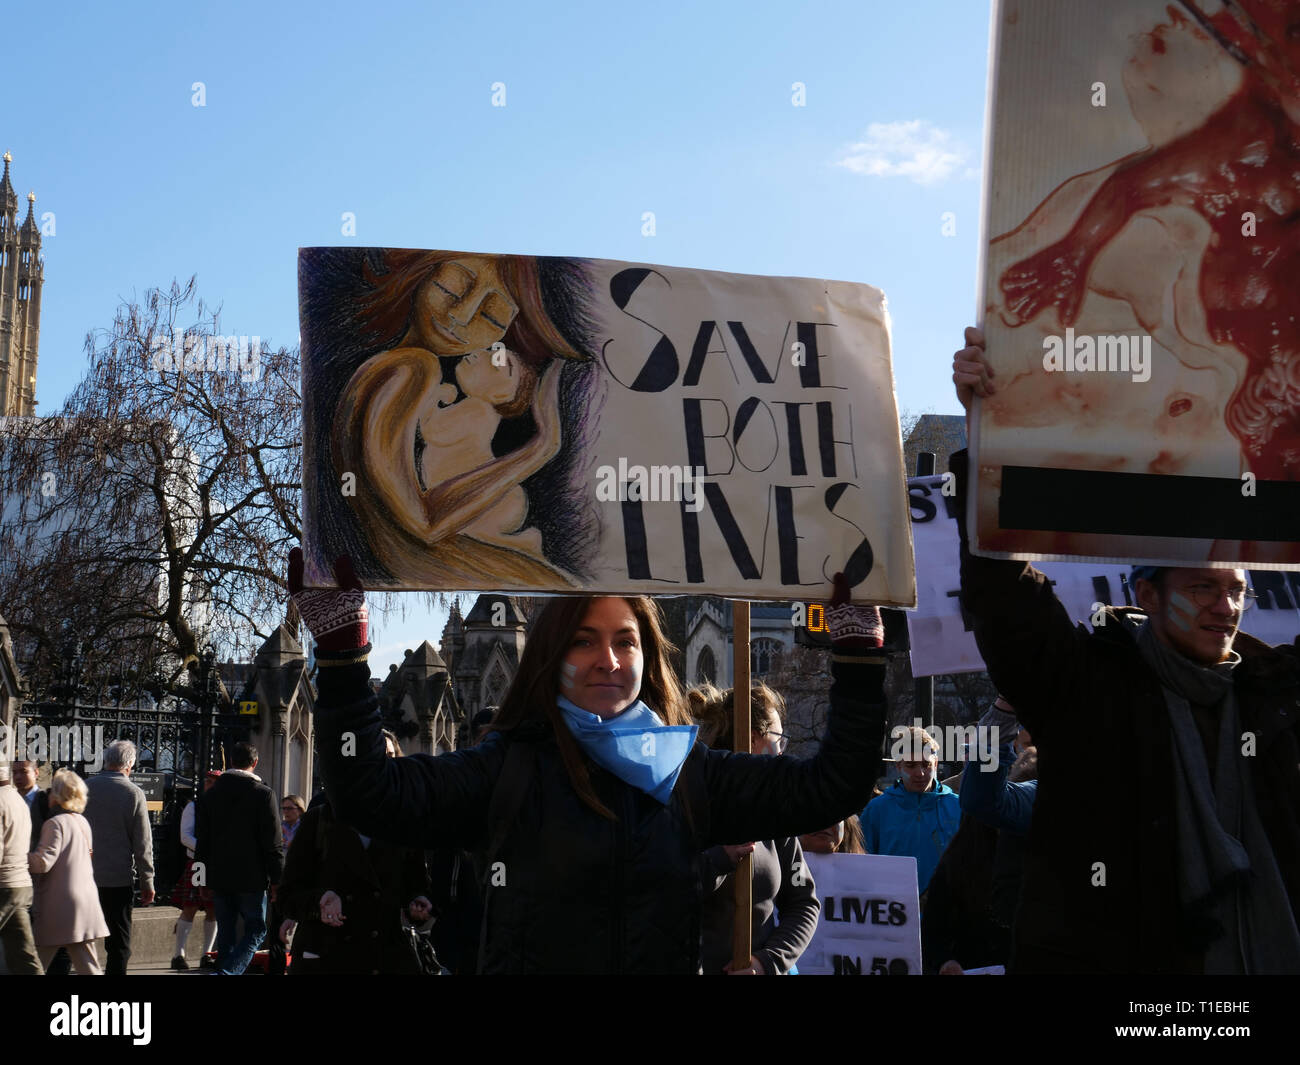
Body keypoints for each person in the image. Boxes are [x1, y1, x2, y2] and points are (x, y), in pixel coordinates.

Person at [288, 547, 888, 973]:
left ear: (647, 657)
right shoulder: (508, 769)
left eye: (624, 640)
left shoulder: (689, 773)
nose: (607, 658)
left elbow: (835, 787)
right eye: (584, 640)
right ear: (551, 656)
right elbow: (368, 792)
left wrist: (859, 657)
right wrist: (343, 657)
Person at [953, 326, 1300, 973]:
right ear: (1146, 589)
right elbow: (1004, 593)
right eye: (1202, 587)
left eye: (1236, 588)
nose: (1225, 605)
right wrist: (989, 433)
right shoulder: (1089, 687)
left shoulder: (1276, 695)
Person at [329, 251, 597, 587]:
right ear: (419, 275)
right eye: (451, 288)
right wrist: (540, 449)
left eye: (493, 317)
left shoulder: (398, 370)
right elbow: (425, 522)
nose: (460, 314)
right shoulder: (414, 369)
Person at [690, 682, 821, 976]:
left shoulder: (775, 816)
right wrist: (718, 860)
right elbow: (658, 888)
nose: (782, 751)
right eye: (778, 738)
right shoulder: (689, 804)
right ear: (752, 740)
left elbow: (804, 903)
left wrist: (768, 962)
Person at [279, 732, 432, 974]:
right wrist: (320, 900)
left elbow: (417, 887)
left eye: (390, 757)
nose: (384, 765)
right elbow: (289, 896)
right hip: (329, 958)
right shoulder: (320, 820)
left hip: (384, 959)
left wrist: (418, 905)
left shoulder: (405, 821)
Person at [195, 742, 283, 976]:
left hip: (219, 875)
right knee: (256, 930)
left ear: (232, 762)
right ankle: (228, 972)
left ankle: (225, 969)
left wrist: (200, 879)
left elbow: (202, 842)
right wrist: (277, 880)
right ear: (254, 763)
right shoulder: (263, 794)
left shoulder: (210, 795)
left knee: (226, 933)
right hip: (252, 877)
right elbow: (273, 843)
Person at [861, 726, 961, 896]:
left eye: (926, 764)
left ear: (935, 764)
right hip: (891, 910)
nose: (920, 773)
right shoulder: (877, 810)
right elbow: (861, 866)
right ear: (898, 766)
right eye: (911, 765)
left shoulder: (957, 807)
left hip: (947, 911)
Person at [83, 739, 155, 976]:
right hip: (118, 879)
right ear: (130, 764)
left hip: (85, 877)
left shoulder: (85, 787)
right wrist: (147, 882)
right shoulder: (134, 793)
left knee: (79, 939)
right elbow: (142, 843)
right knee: (119, 945)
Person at [28, 769, 110, 975]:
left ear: (57, 795)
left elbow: (42, 863)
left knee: (34, 963)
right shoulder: (81, 821)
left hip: (59, 905)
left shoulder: (55, 823)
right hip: (84, 902)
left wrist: (17, 854)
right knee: (88, 964)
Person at [169, 770, 221, 971]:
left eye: (215, 782)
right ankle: (178, 955)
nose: (211, 785)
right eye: (208, 782)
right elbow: (185, 837)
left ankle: (206, 954)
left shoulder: (226, 808)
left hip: (217, 865)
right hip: (199, 863)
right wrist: (207, 851)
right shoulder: (193, 806)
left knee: (213, 909)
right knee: (190, 906)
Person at [0, 757, 41, 974]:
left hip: (4, 884)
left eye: (23, 771)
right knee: (22, 953)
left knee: (22, 952)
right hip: (20, 884)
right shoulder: (16, 799)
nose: (18, 776)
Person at [264, 793, 306, 976]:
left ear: (300, 809)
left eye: (290, 808)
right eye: (284, 808)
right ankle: (277, 966)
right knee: (276, 924)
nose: (286, 812)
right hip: (281, 879)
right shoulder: (279, 828)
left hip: (300, 879)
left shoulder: (305, 828)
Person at [799, 815, 866, 856]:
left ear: (845, 826)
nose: (823, 822)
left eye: (832, 814)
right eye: (811, 813)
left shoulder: (863, 873)